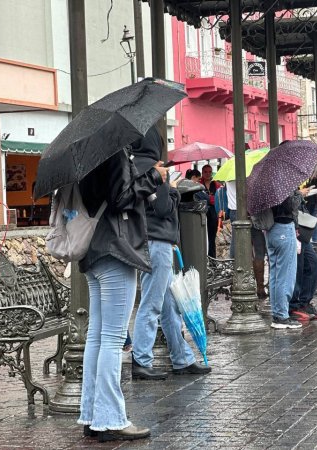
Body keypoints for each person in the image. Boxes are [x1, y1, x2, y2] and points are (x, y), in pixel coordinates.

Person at [77, 139, 169, 442]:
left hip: (92, 251)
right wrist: (154, 177)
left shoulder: (86, 154)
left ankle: (92, 415)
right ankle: (111, 419)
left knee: (98, 335)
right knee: (113, 338)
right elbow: (120, 199)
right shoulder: (112, 152)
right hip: (115, 249)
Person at [131, 127, 211, 381]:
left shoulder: (133, 167)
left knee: (168, 305)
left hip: (148, 240)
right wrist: (172, 187)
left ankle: (181, 358)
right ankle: (141, 360)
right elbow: (164, 208)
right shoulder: (155, 170)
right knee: (153, 303)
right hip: (157, 242)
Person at [267, 187, 310, 329]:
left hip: (271, 230)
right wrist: (300, 194)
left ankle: (277, 313)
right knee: (285, 275)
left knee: (275, 274)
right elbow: (289, 205)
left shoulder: (267, 182)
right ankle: (281, 316)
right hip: (283, 227)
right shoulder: (282, 182)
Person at [289, 201, 317, 322]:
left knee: (313, 264)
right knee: (298, 268)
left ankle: (304, 302)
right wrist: (300, 195)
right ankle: (293, 306)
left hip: (300, 228)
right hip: (292, 227)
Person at [200, 164, 220, 258]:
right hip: (202, 214)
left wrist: (210, 199)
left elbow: (218, 199)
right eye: (205, 172)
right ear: (202, 173)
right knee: (202, 237)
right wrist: (211, 199)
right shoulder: (199, 184)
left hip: (213, 215)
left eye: (209, 172)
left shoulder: (215, 184)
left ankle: (212, 260)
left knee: (212, 238)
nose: (208, 174)